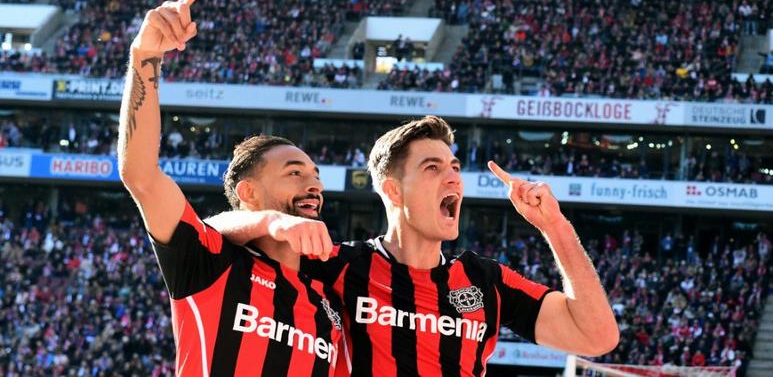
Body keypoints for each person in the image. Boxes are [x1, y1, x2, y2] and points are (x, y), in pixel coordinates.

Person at [216, 116, 619, 375]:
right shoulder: (335, 265)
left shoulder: (484, 281)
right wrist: (271, 219)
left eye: (455, 168)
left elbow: (597, 337)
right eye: (433, 168)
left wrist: (555, 226)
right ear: (393, 190)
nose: (453, 179)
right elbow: (210, 234)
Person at [117, 0, 346, 376]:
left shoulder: (329, 301)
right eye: (295, 172)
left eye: (315, 174)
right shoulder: (209, 262)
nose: (314, 184)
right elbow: (141, 175)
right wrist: (145, 57)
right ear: (249, 191)